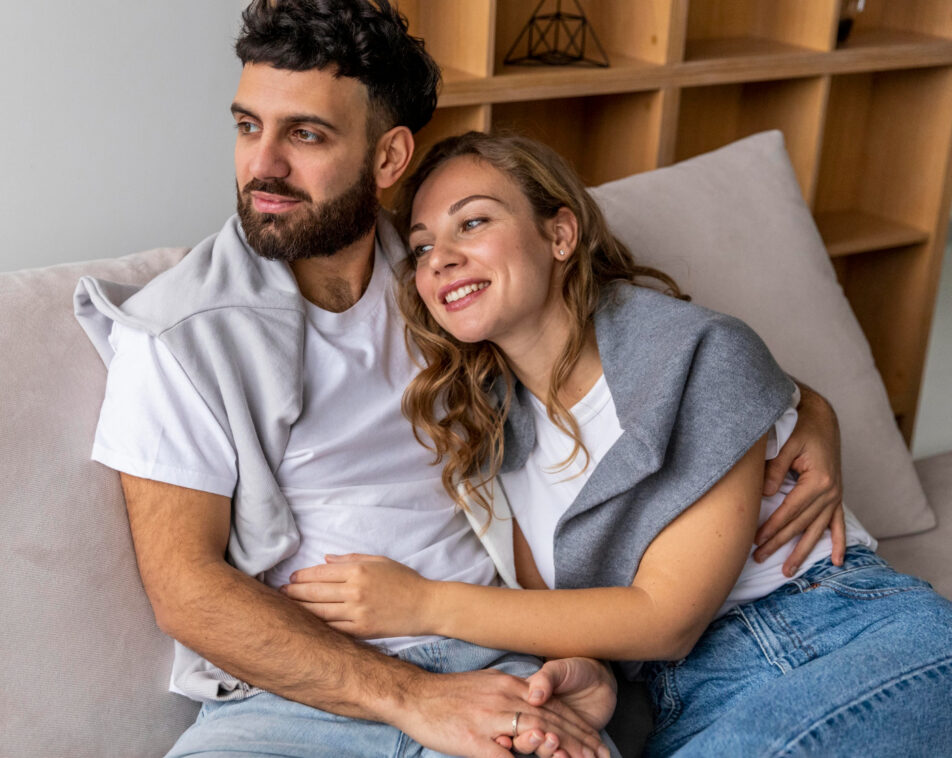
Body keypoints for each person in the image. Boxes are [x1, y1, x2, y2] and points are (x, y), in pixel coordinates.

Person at [73, 2, 846, 755]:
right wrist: (414, 700)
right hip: (294, 699)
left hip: (497, 672)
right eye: (248, 126)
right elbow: (187, 590)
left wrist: (808, 411)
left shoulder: (450, 283)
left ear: (388, 158)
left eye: (305, 134)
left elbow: (652, 353)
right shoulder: (178, 335)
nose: (263, 166)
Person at [281, 132, 952, 756]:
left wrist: (422, 603)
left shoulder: (695, 355)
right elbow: (569, 617)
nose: (442, 259)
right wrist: (591, 675)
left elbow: (666, 619)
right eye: (423, 246)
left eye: (474, 222)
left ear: (560, 233)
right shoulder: (487, 436)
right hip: (688, 702)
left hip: (841, 637)